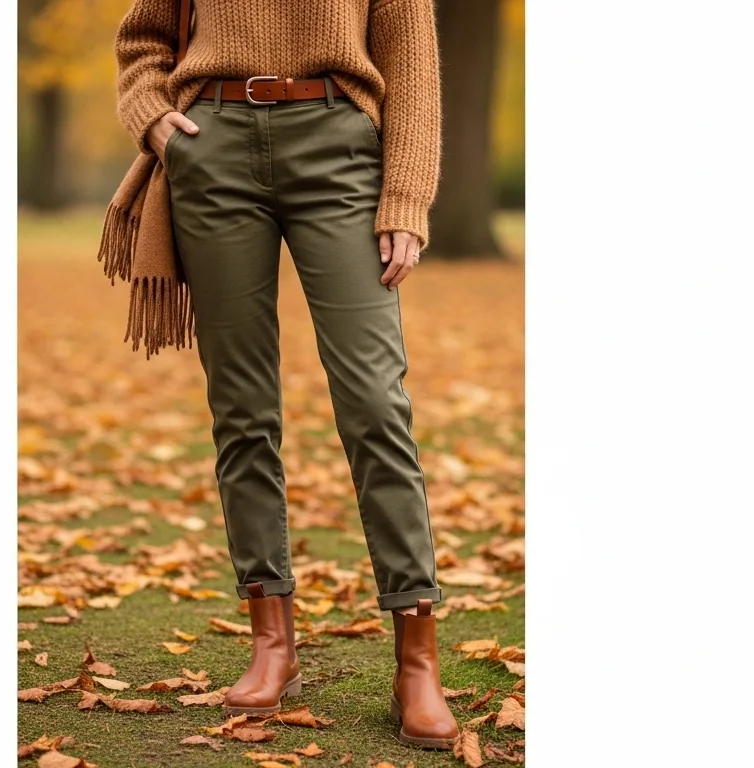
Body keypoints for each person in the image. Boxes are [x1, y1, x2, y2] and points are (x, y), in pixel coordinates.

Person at [113, 0, 457, 749]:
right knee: (241, 406)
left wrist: (405, 195)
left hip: (339, 141)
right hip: (214, 144)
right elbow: (142, 39)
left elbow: (413, 66)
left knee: (374, 402)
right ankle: (272, 641)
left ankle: (416, 658)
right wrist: (152, 115)